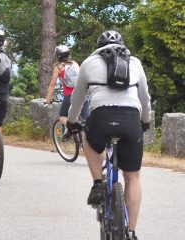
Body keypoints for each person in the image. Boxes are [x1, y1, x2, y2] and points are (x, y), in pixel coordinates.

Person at [66, 30, 151, 240]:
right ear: (122, 46)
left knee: (88, 138)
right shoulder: (135, 63)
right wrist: (145, 122)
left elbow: (77, 99)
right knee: (133, 176)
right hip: (131, 119)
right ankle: (131, 231)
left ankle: (97, 183)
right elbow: (145, 98)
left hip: (101, 117)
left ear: (99, 46)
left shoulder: (88, 62)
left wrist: (71, 121)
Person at [43, 45, 89, 137]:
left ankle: (71, 127)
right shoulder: (75, 64)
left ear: (58, 56)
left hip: (69, 96)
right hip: (83, 94)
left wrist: (47, 100)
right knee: (87, 121)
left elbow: (52, 85)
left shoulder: (58, 67)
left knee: (62, 117)